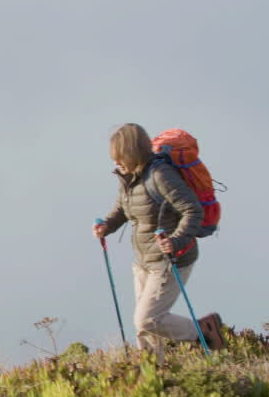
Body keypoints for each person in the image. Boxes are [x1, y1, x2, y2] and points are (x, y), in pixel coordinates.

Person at [93, 123, 225, 359]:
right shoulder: (129, 177)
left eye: (120, 157)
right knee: (144, 326)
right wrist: (107, 225)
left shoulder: (161, 175)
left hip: (171, 259)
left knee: (147, 319)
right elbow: (122, 208)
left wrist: (175, 241)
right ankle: (154, 372)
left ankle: (204, 331)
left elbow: (193, 210)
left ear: (133, 153)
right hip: (143, 259)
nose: (116, 163)